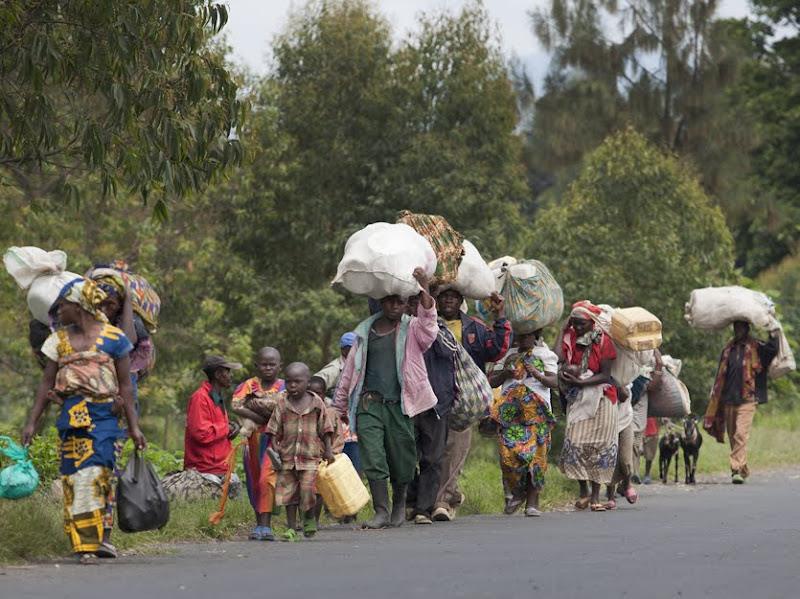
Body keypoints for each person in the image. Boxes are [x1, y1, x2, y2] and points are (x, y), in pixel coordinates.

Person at [21, 277, 146, 565]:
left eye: (63, 305)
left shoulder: (115, 339)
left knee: (96, 474)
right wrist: (32, 422)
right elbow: (46, 383)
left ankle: (88, 544)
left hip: (104, 416)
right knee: (73, 478)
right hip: (70, 416)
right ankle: (82, 542)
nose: (58, 311)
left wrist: (134, 426)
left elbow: (126, 387)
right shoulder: (58, 341)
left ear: (79, 307)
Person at [334, 268, 439, 530]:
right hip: (369, 405)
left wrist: (424, 285)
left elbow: (429, 326)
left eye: (400, 301)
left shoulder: (412, 329)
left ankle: (400, 504)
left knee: (402, 458)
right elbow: (349, 372)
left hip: (400, 406)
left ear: (406, 304)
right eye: (390, 300)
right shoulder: (364, 334)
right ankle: (381, 510)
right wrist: (338, 408)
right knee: (373, 455)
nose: (395, 305)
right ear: (381, 302)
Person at [432, 288, 512, 522]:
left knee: (455, 450)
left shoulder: (474, 328)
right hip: (432, 397)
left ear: (461, 300)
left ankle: (442, 501)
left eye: (453, 296)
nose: (448, 299)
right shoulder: (426, 324)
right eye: (443, 295)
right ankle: (443, 495)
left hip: (463, 401)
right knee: (430, 452)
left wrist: (500, 316)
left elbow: (497, 350)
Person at [487, 328, 558, 517]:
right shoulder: (507, 355)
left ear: (536, 335)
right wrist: (505, 374)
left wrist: (537, 374)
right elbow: (491, 381)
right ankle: (517, 492)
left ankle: (532, 502)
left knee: (536, 457)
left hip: (538, 414)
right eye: (520, 334)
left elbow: (555, 381)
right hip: (510, 413)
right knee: (509, 455)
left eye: (528, 334)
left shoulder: (545, 354)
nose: (524, 338)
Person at [556, 300, 619, 512]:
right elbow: (557, 357)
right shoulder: (570, 337)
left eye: (581, 323)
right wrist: (564, 329)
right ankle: (582, 491)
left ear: (591, 323)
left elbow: (606, 375)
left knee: (600, 446)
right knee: (574, 442)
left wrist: (582, 382)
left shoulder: (604, 341)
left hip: (602, 398)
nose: (578, 327)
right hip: (579, 398)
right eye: (574, 323)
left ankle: (594, 497)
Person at [405, 292, 458, 525]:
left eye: (421, 303)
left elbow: (450, 351)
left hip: (437, 403)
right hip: (408, 403)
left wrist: (429, 327)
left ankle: (423, 509)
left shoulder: (441, 330)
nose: (417, 308)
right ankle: (410, 500)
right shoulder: (401, 331)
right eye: (413, 303)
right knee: (405, 457)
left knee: (432, 458)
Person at [704, 320, 779, 484]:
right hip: (729, 399)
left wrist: (773, 332)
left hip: (748, 398)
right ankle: (743, 469)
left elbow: (772, 350)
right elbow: (721, 373)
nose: (738, 330)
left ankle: (735, 469)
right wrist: (716, 394)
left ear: (747, 328)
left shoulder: (757, 347)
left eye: (741, 327)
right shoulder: (728, 349)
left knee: (740, 434)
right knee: (733, 437)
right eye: (736, 327)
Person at [266, 363, 335, 539]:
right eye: (288, 382)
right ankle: (291, 528)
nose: (292, 386)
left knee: (307, 490)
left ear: (307, 382)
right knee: (288, 494)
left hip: (310, 457)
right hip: (287, 457)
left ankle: (309, 516)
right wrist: (274, 449)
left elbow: (325, 428)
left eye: (297, 382)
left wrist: (328, 450)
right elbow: (273, 429)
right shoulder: (282, 403)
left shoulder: (316, 403)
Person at [231, 347, 285, 542]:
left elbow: (283, 412)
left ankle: (266, 524)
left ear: (280, 366)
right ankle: (258, 524)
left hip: (274, 441)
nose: (268, 368)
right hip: (252, 439)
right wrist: (263, 416)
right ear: (256, 366)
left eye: (272, 364)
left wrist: (256, 410)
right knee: (254, 480)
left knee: (267, 479)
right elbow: (237, 405)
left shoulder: (284, 387)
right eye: (264, 364)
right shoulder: (249, 385)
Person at [91, 271, 154, 415]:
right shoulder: (90, 320)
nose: (104, 310)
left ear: (120, 306)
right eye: (100, 304)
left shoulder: (129, 322)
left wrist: (127, 301)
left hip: (122, 382)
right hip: (95, 381)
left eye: (110, 305)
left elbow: (127, 341)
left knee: (122, 429)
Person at [183, 355, 243, 494]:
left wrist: (232, 428)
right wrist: (226, 428)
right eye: (228, 371)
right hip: (203, 468)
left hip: (220, 466)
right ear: (217, 374)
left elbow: (217, 428)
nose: (231, 375)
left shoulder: (216, 397)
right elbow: (201, 434)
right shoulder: (200, 398)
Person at [315, 332, 361, 472]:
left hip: (355, 420)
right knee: (341, 460)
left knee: (357, 462)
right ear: (343, 350)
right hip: (339, 422)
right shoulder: (334, 368)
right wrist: (331, 405)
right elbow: (315, 386)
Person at [308, 376, 346, 526]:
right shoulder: (304, 412)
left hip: (324, 458)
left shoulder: (330, 413)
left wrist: (333, 453)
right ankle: (305, 519)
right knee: (305, 490)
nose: (315, 397)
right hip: (307, 456)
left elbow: (337, 436)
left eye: (319, 393)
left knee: (318, 491)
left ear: (324, 394)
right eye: (311, 393)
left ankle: (315, 520)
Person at [605, 382, 637, 509]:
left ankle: (627, 484)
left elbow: (624, 395)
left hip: (625, 419)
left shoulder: (625, 375)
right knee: (609, 459)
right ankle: (610, 496)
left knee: (625, 459)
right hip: (607, 419)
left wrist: (618, 383)